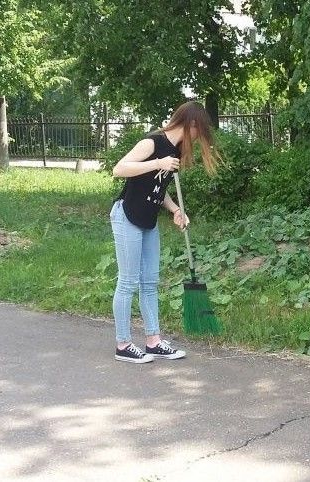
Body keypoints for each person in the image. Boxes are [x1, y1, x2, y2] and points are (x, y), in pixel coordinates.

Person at [109, 101, 219, 363]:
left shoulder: (175, 152)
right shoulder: (154, 143)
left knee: (150, 282)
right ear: (191, 124)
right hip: (126, 216)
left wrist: (173, 210)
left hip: (148, 219)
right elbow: (119, 169)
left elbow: (157, 189)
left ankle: (153, 341)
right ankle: (123, 345)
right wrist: (157, 162)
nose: (198, 137)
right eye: (199, 131)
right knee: (128, 282)